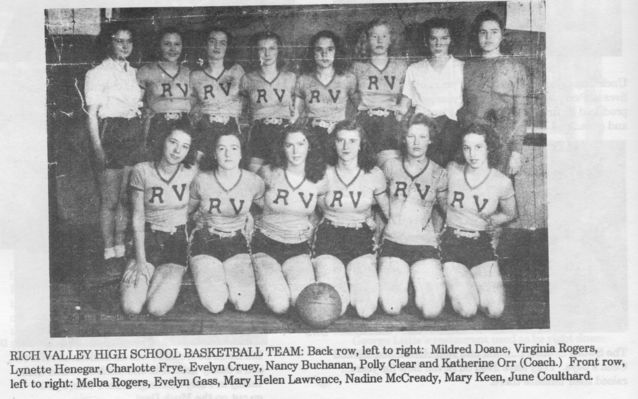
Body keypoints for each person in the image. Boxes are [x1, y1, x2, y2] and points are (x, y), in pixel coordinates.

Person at [120, 121, 197, 316]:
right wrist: (140, 260)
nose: (177, 150)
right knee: (131, 307)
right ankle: (145, 273)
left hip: (176, 240)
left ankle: (161, 277)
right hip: (147, 237)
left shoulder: (192, 173)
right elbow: (137, 217)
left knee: (157, 308)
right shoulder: (141, 170)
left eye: (185, 146)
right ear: (162, 141)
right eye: (173, 142)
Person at [313, 120, 389, 318]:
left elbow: (389, 212)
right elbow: (314, 206)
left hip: (361, 237)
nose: (346, 147)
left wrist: (377, 227)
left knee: (365, 309)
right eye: (340, 141)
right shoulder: (323, 172)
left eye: (352, 141)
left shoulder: (374, 174)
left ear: (361, 144)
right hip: (329, 236)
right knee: (337, 305)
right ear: (333, 143)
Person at [441, 122, 517, 318]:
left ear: (489, 148)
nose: (472, 154)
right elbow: (437, 198)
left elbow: (510, 214)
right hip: (452, 243)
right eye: (467, 148)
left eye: (478, 147)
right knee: (468, 309)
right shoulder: (452, 170)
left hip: (481, 246)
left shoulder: (502, 182)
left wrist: (493, 221)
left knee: (495, 310)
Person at [85, 23, 143, 268]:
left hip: (133, 132)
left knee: (125, 198)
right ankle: (108, 247)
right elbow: (91, 114)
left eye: (128, 41)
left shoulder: (135, 72)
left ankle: (120, 244)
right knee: (109, 199)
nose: (124, 45)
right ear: (109, 43)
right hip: (111, 132)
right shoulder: (97, 73)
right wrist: (98, 147)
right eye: (119, 41)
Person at [251, 125, 326, 314]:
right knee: (279, 305)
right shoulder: (268, 172)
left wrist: (310, 227)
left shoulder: (320, 178)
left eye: (300, 144)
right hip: (265, 245)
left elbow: (325, 212)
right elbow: (250, 201)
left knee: (303, 303)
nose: (295, 151)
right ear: (282, 147)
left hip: (298, 247)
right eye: (289, 145)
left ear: (309, 146)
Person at [378, 114, 448, 318]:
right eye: (411, 136)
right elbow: (376, 203)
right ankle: (402, 281)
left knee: (431, 311)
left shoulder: (438, 172)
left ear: (430, 139)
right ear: (403, 138)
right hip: (393, 243)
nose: (416, 142)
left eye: (422, 137)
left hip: (424, 245)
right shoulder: (390, 166)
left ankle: (416, 281)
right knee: (392, 307)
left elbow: (448, 212)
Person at [188, 131, 264, 313]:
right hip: (206, 240)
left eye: (234, 148)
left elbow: (267, 210)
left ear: (241, 153)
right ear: (214, 153)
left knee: (243, 304)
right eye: (222, 149)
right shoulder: (201, 179)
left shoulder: (254, 181)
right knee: (215, 305)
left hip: (236, 241)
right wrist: (197, 219)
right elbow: (186, 211)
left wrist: (252, 217)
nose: (228, 154)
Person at [458, 10, 528, 176]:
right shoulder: (466, 67)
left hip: (502, 145)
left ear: (502, 35)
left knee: (501, 194)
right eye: (483, 32)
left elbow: (520, 113)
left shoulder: (515, 68)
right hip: (473, 145)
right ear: (477, 35)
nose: (488, 37)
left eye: (494, 32)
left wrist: (516, 152)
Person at [399, 17, 464, 168]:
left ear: (450, 40)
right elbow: (404, 104)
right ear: (426, 41)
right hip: (423, 131)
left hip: (452, 131)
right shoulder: (414, 69)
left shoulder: (461, 68)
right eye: (433, 38)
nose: (438, 43)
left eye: (444, 38)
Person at [239, 31, 297, 173]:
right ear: (256, 52)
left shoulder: (290, 78)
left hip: (283, 131)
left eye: (272, 48)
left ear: (279, 51)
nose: (267, 53)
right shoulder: (247, 79)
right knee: (254, 175)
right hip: (258, 133)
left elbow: (298, 110)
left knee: (283, 175)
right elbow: (240, 110)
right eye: (262, 49)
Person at [352, 18, 407, 166]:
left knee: (390, 165)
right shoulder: (358, 67)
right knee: (364, 165)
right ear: (367, 39)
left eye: (384, 36)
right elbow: (353, 94)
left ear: (390, 39)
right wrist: (363, 108)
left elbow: (407, 94)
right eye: (374, 36)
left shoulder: (400, 66)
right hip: (365, 121)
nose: (379, 41)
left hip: (391, 122)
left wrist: (401, 110)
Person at [295, 30, 357, 157]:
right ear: (312, 52)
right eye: (319, 50)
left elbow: (360, 109)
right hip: (313, 135)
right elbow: (295, 114)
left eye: (330, 49)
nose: (324, 54)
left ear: (336, 51)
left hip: (338, 135)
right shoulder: (303, 80)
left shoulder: (348, 78)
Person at [190, 27, 245, 157]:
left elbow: (246, 101)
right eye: (212, 41)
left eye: (222, 43)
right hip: (204, 127)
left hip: (230, 126)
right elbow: (191, 106)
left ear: (227, 47)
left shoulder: (237, 71)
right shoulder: (195, 75)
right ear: (205, 45)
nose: (217, 46)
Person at [137, 27, 192, 157]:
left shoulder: (189, 72)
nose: (172, 49)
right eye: (167, 44)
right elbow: (135, 103)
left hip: (183, 125)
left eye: (177, 44)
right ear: (159, 46)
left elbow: (196, 102)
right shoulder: (146, 70)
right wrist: (146, 110)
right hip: (157, 126)